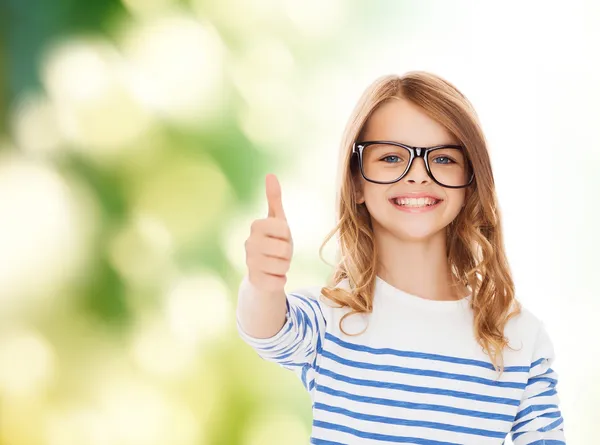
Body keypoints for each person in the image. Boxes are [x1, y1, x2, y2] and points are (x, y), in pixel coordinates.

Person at [236, 71, 566, 445]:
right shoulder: (329, 319)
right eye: (392, 157)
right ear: (357, 181)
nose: (419, 176)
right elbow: (266, 330)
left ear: (471, 183)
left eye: (443, 159)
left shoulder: (520, 337)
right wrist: (261, 283)